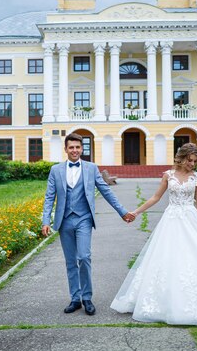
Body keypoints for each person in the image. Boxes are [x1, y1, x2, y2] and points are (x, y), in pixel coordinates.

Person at [110, 143, 197, 325]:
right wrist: (136, 212)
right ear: (181, 158)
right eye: (189, 160)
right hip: (171, 219)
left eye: (195, 161)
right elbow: (156, 198)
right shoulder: (168, 175)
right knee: (168, 257)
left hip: (191, 220)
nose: (192, 164)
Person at [42, 133, 136, 316]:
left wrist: (122, 212)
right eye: (71, 147)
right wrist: (46, 221)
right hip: (64, 220)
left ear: (82, 148)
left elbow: (106, 192)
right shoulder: (56, 170)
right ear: (66, 149)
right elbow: (49, 197)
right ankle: (75, 299)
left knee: (84, 257)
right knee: (70, 261)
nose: (75, 150)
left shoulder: (91, 168)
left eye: (78, 147)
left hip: (83, 218)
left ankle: (87, 297)